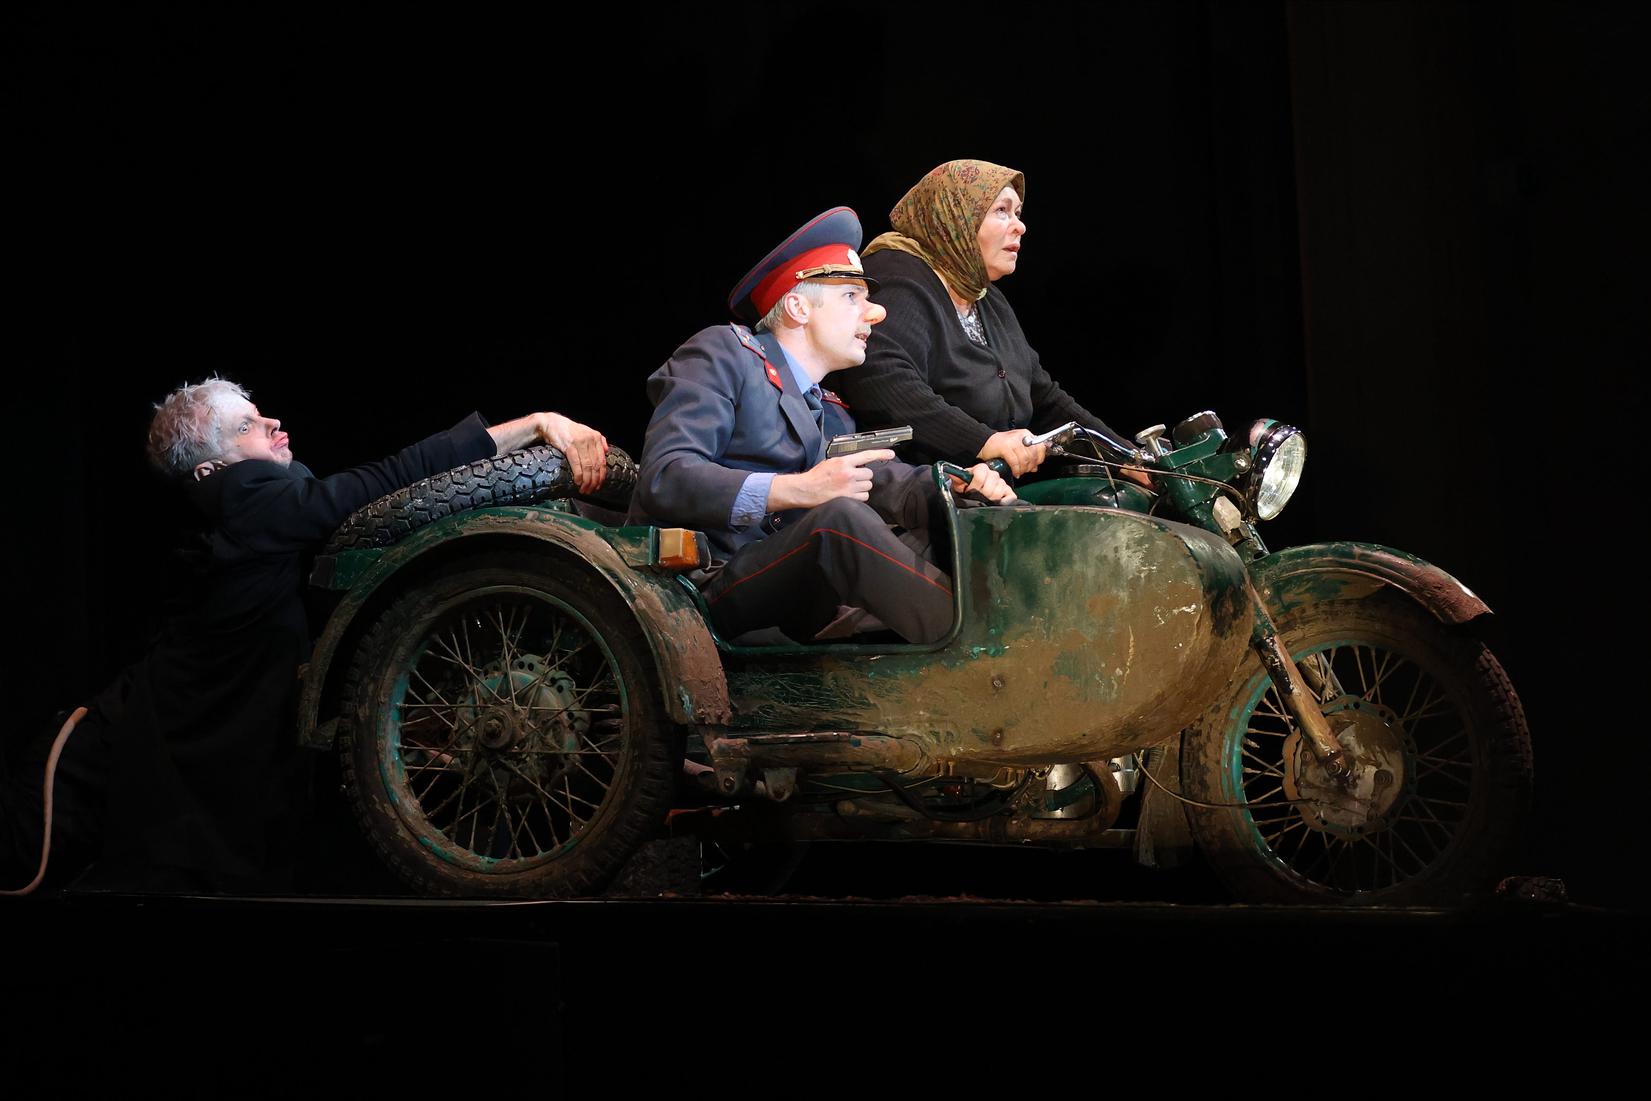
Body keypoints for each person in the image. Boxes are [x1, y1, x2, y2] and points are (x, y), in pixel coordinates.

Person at [1, 380, 609, 893]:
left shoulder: (252, 510)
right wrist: (532, 425)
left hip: (178, 764)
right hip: (120, 758)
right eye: (247, 426)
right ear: (211, 470)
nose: (272, 423)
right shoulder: (246, 499)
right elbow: (384, 483)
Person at [629, 207, 1014, 646]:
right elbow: (665, 477)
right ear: (798, 307)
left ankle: (1031, 630)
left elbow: (884, 478)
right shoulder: (722, 354)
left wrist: (958, 486)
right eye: (852, 296)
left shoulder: (827, 405)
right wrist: (798, 489)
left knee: (962, 522)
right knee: (838, 522)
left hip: (794, 596)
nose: (877, 313)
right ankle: (988, 653)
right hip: (702, 589)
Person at [833, 159, 1143, 479]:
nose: (1020, 226)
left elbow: (1044, 398)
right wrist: (985, 441)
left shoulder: (986, 297)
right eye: (1002, 211)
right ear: (957, 216)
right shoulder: (898, 277)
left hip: (988, 489)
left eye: (1018, 213)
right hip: (911, 489)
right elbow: (883, 383)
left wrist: (1130, 460)